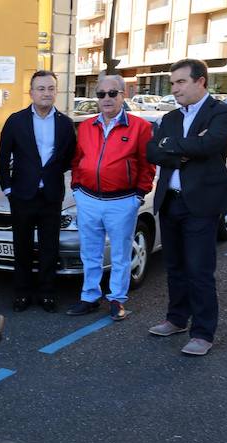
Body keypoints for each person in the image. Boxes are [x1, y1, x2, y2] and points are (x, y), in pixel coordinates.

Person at [146, 59, 227, 356]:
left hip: (200, 203)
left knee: (199, 269)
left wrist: (171, 146)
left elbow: (211, 145)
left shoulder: (223, 112)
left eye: (181, 82)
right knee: (174, 267)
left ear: (201, 82)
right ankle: (176, 319)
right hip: (170, 200)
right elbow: (152, 152)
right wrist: (183, 150)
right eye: (172, 83)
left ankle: (202, 332)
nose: (175, 89)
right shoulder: (171, 117)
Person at [68, 74, 155, 320]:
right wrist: (77, 187)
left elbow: (147, 165)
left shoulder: (140, 127)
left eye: (112, 93)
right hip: (88, 199)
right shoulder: (86, 126)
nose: (106, 99)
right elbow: (77, 160)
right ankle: (90, 297)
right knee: (90, 252)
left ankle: (117, 299)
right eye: (101, 94)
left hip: (122, 201)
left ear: (122, 95)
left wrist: (139, 195)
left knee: (120, 253)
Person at [0, 70, 76, 313]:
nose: (46, 93)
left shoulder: (65, 123)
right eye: (41, 88)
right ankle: (22, 293)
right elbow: (3, 158)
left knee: (49, 247)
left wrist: (50, 177)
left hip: (51, 196)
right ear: (31, 93)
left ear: (56, 91)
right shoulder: (16, 120)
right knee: (21, 246)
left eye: (51, 88)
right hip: (22, 195)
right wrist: (9, 188)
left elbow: (68, 158)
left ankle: (47, 293)